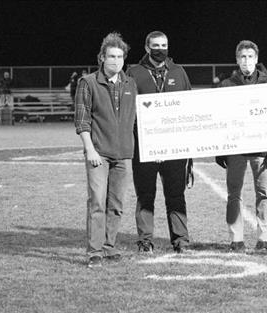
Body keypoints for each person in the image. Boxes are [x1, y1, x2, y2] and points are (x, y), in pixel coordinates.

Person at [215, 40, 267, 252]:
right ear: (237, 60)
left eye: (250, 57)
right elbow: (219, 118)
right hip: (236, 150)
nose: (246, 61)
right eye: (242, 57)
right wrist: (220, 149)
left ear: (256, 59)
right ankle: (235, 237)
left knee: (264, 194)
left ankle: (264, 237)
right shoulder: (226, 85)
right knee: (234, 195)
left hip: (262, 150)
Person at [74, 32, 137, 268]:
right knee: (97, 202)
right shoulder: (88, 83)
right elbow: (82, 121)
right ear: (102, 57)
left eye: (120, 56)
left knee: (117, 204)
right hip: (98, 153)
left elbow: (139, 120)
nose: (116, 60)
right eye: (111, 56)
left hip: (124, 155)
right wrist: (90, 150)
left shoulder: (130, 84)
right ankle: (94, 251)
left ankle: (109, 247)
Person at [126, 31, 192, 254]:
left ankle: (181, 240)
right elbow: (127, 110)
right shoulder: (133, 73)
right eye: (155, 45)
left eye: (164, 45)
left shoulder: (178, 72)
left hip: (174, 149)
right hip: (144, 148)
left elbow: (191, 106)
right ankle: (145, 241)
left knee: (176, 195)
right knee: (145, 195)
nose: (160, 49)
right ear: (146, 47)